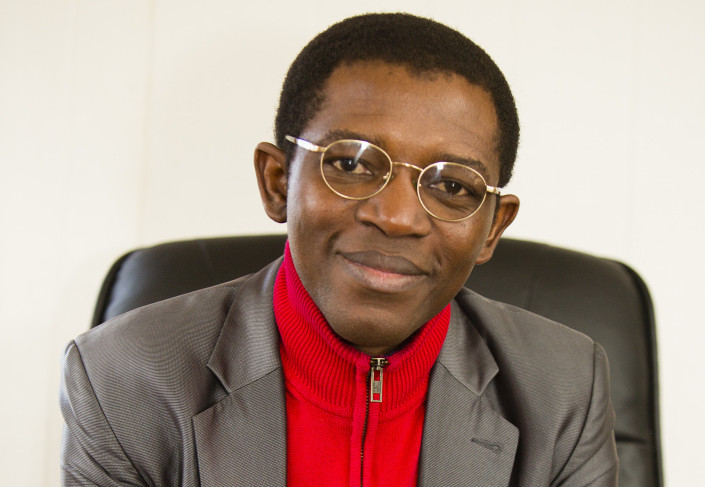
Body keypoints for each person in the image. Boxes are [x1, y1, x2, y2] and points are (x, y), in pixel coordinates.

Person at [60, 12, 618, 487]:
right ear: (278, 182)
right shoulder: (124, 378)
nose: (397, 218)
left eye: (452, 186)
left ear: (491, 228)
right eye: (351, 163)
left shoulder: (565, 389)